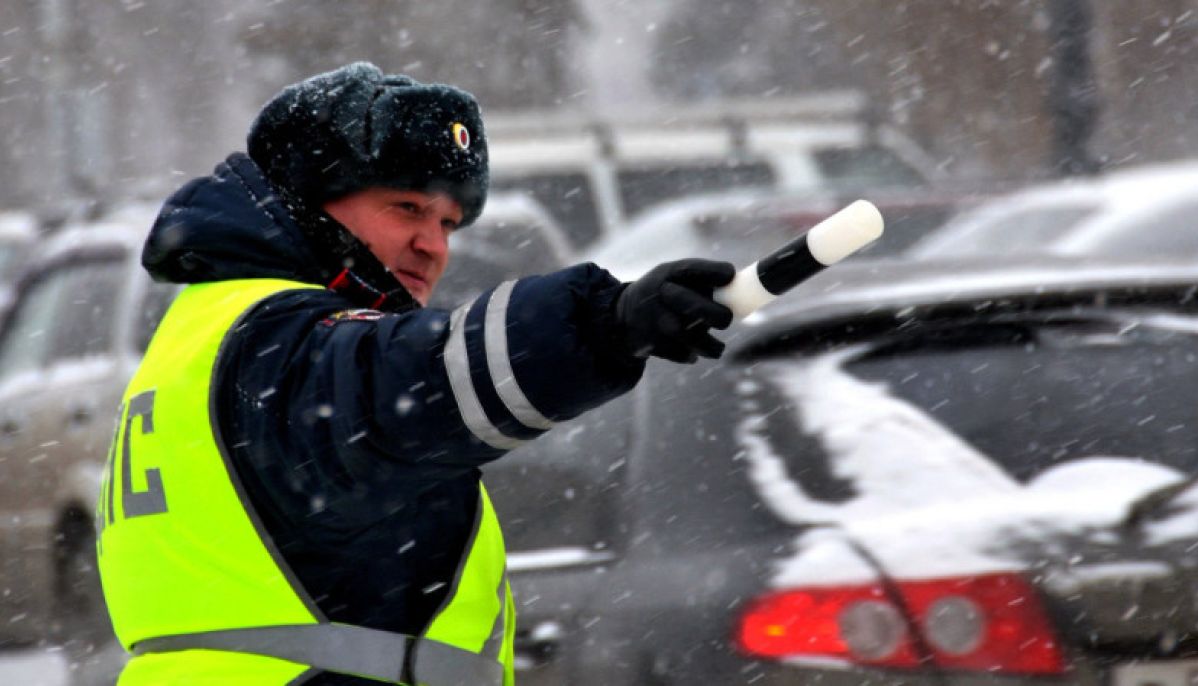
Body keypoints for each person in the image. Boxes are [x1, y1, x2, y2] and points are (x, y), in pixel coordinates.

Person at [95, 62, 735, 686]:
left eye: (448, 223)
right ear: (308, 204)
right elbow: (414, 380)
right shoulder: (278, 340)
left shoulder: (209, 330)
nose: (434, 244)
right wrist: (605, 322)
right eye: (406, 207)